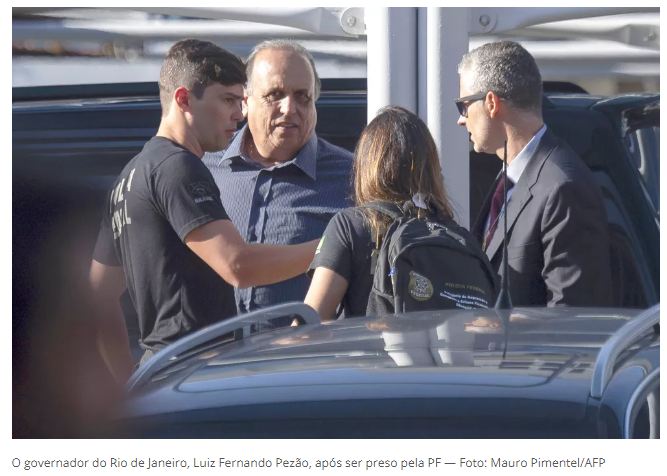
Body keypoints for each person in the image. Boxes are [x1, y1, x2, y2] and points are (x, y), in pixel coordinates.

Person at [89, 39, 317, 383]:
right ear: (183, 99)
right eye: (227, 100)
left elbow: (97, 297)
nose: (238, 114)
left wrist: (128, 387)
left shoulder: (131, 174)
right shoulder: (177, 167)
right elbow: (237, 265)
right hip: (195, 372)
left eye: (240, 101)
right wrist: (332, 246)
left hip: (159, 375)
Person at [456, 40, 612, 307]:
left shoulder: (563, 187)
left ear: (491, 103)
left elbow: (571, 314)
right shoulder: (510, 176)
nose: (461, 119)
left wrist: (501, 325)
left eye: (464, 106)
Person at [206, 40, 353, 317]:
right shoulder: (202, 168)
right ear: (245, 102)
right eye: (275, 94)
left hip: (303, 345)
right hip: (208, 345)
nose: (289, 108)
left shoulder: (353, 178)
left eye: (302, 97)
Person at [304, 106, 491, 321]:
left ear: (368, 164)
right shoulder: (455, 234)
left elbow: (312, 320)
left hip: (378, 344)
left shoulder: (351, 225)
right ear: (430, 165)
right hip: (447, 344)